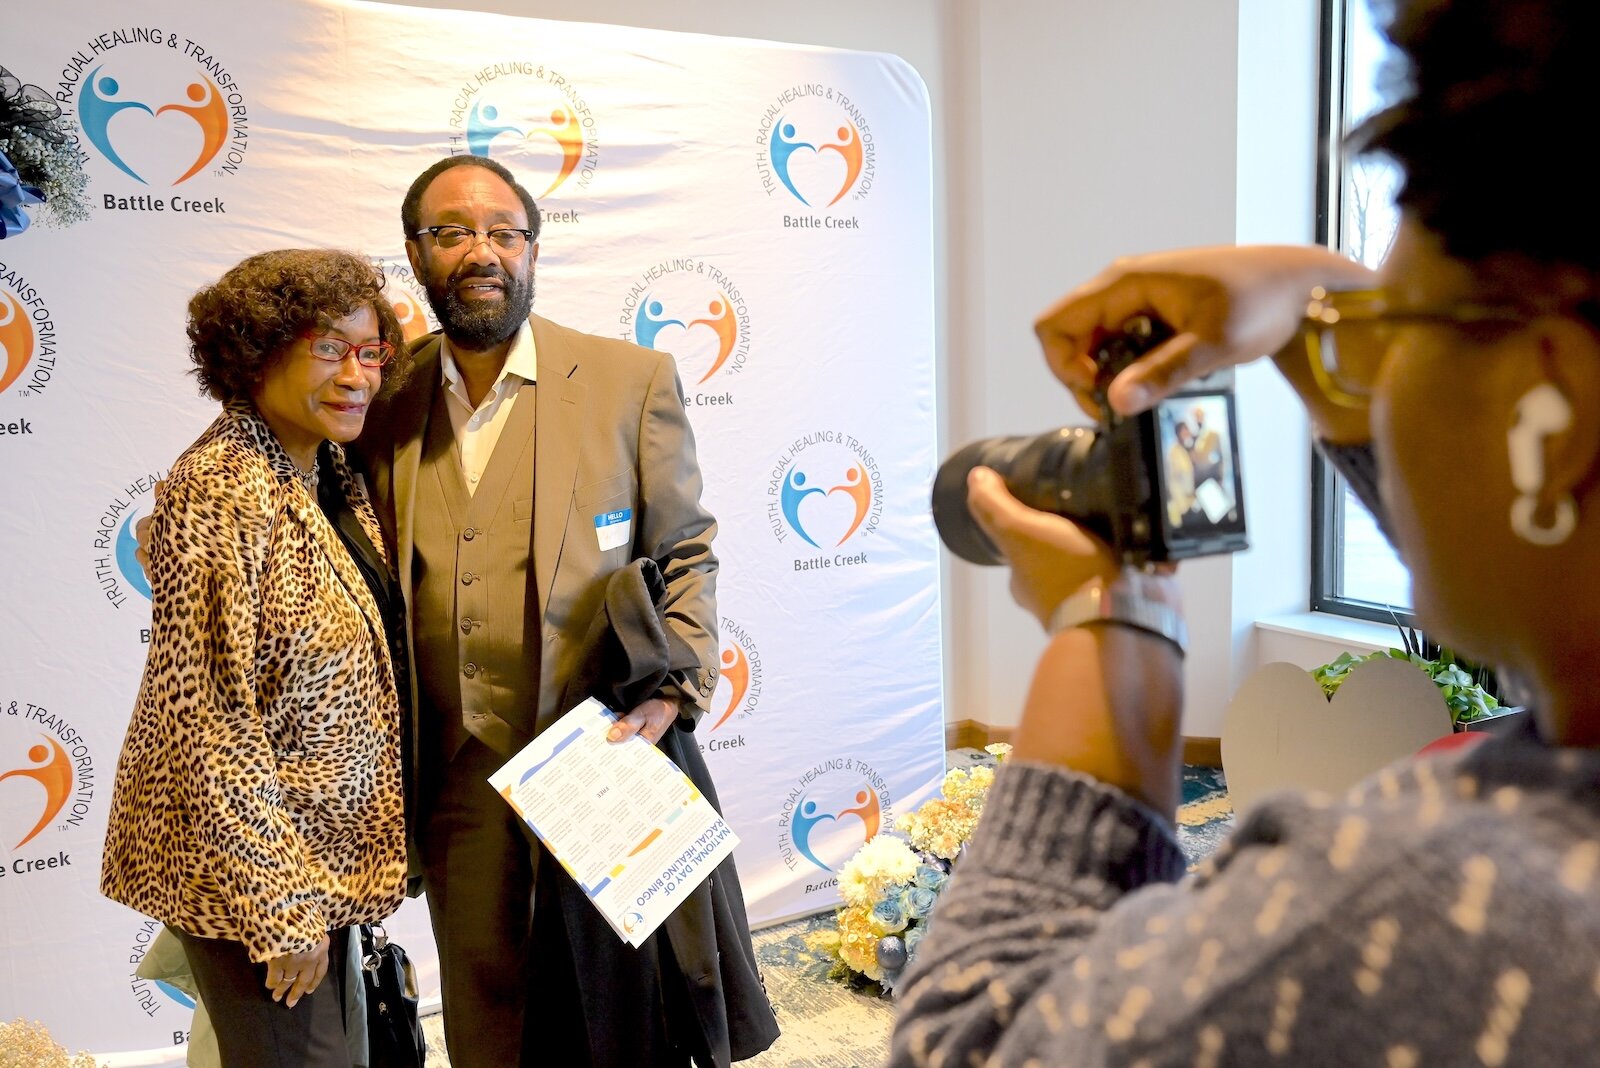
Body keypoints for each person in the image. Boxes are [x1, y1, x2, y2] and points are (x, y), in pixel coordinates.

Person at [890, 0, 1600, 1063]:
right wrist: (1329, 306)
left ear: (1555, 408)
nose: (1369, 383)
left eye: (1397, 332)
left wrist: (1108, 626)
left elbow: (978, 1034)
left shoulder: (1448, 901)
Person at [354, 154, 778, 1067]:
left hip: (601, 750)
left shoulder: (631, 380)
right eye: (453, 233)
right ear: (415, 254)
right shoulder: (381, 398)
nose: (482, 252)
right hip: (453, 774)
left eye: (504, 232)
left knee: (628, 1012)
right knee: (488, 1007)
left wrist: (676, 688)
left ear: (534, 250)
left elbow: (685, 547)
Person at [101, 249, 411, 1068]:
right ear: (255, 350)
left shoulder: (324, 469)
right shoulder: (222, 486)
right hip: (258, 880)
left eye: (370, 350)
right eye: (328, 348)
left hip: (320, 865)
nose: (358, 374)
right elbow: (206, 717)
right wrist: (277, 906)